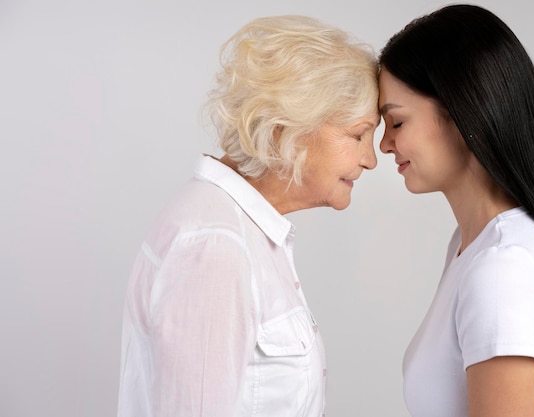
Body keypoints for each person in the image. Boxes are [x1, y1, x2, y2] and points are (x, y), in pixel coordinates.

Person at [117, 15, 379, 417]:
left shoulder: (238, 230)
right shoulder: (215, 245)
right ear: (283, 129)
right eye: (358, 135)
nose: (370, 159)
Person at [377, 4, 534, 417]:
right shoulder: (473, 244)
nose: (384, 145)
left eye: (397, 123)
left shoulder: (506, 268)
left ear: (462, 113)